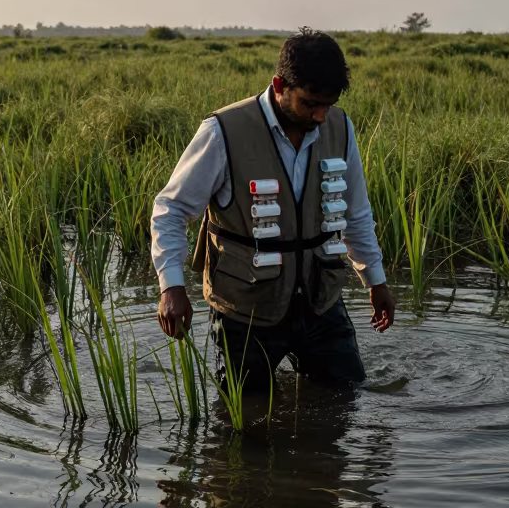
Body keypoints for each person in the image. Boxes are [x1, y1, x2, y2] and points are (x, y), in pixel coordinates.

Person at [151, 27, 395, 391]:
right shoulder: (223, 131)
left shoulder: (340, 128)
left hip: (320, 302)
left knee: (344, 400)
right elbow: (170, 210)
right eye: (310, 103)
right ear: (279, 85)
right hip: (245, 310)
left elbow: (355, 212)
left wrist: (375, 281)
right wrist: (171, 288)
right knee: (242, 419)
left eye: (327, 105)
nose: (320, 117)